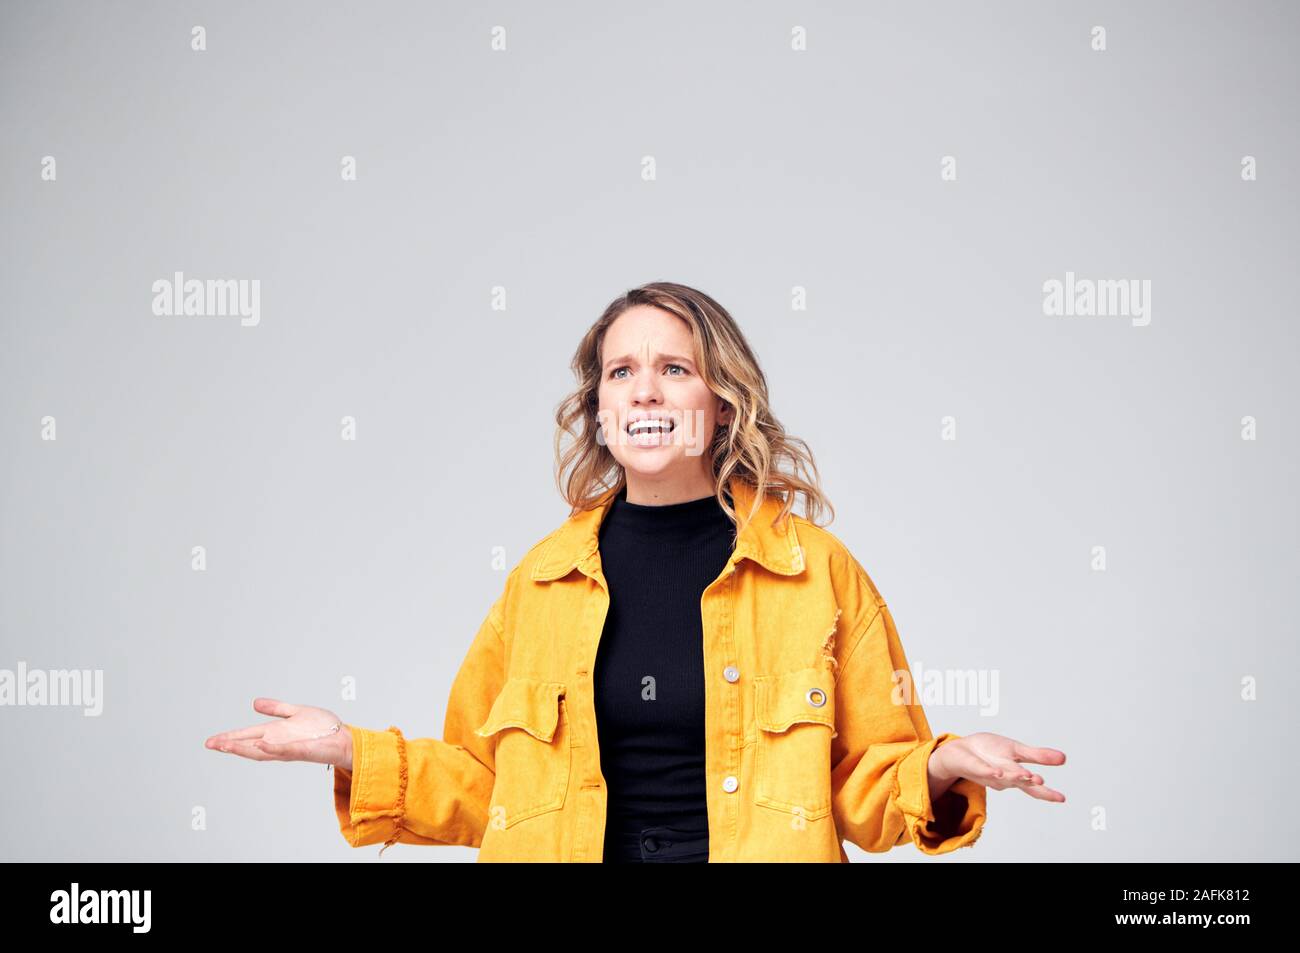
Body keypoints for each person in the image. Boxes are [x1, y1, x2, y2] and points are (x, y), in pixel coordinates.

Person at [206, 281, 1066, 862]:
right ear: (601, 410)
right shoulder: (541, 581)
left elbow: (861, 788)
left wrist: (946, 762)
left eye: (674, 369)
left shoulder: (817, 572)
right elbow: (486, 788)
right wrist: (350, 748)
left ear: (721, 403)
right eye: (622, 372)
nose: (644, 391)